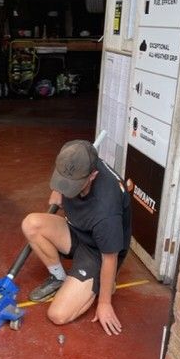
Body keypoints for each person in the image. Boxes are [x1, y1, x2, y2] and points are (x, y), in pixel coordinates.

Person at [21, 140, 131, 335]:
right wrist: (59, 190)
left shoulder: (106, 211)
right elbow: (66, 172)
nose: (67, 188)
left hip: (97, 252)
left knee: (58, 315)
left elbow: (110, 258)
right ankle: (58, 277)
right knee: (31, 224)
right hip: (76, 230)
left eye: (74, 186)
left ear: (93, 175)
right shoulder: (78, 158)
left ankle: (100, 285)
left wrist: (105, 303)